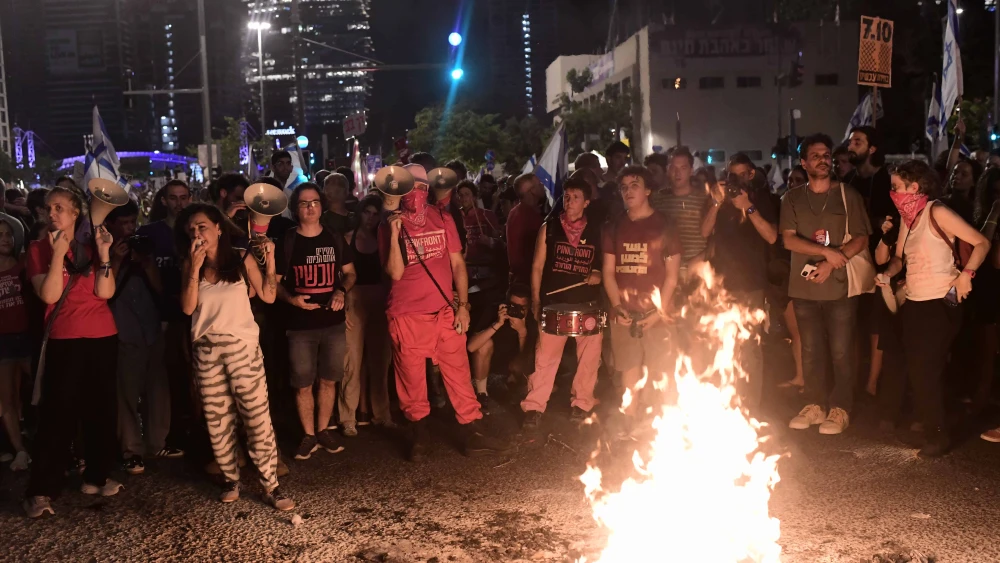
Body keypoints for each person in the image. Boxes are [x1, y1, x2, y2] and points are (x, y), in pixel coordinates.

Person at [379, 164, 507, 461]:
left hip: (444, 311)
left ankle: (473, 433)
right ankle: (419, 436)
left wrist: (462, 307)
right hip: (406, 314)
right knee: (411, 380)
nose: (418, 193)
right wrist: (395, 229)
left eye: (423, 186)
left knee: (459, 374)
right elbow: (394, 272)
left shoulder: (443, 218)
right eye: (412, 186)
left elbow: (458, 265)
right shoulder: (390, 224)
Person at [176, 203, 293, 510]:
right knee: (217, 419)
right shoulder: (190, 264)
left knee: (256, 416)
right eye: (192, 229)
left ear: (218, 228)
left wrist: (269, 265)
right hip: (207, 349)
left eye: (202, 226)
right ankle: (231, 479)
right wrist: (193, 267)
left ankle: (271, 485)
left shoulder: (241, 257)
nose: (196, 233)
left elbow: (268, 296)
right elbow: (188, 308)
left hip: (242, 348)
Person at [876, 160, 989, 456]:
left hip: (941, 301)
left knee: (924, 370)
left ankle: (937, 435)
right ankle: (932, 425)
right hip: (914, 301)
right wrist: (888, 273)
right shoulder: (908, 218)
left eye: (897, 186)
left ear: (915, 187)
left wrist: (967, 275)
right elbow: (900, 258)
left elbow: (981, 243)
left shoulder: (937, 211)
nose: (893, 192)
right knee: (920, 369)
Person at [23, 187, 120, 518]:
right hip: (65, 339)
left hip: (103, 336)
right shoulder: (37, 248)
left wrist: (105, 254)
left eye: (60, 207)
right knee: (57, 415)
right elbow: (49, 296)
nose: (52, 213)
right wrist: (56, 255)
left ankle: (96, 476)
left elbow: (105, 291)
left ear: (77, 213)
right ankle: (40, 490)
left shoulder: (94, 247)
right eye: (49, 208)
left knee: (101, 410)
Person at [783, 134, 871, 436]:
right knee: (810, 349)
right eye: (815, 155)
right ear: (804, 162)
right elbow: (788, 238)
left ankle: (841, 407)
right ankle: (815, 404)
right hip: (803, 287)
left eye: (826, 154)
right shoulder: (792, 197)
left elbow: (860, 237)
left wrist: (832, 261)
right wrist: (825, 253)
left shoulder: (848, 195)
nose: (823, 159)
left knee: (842, 350)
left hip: (839, 286)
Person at [275, 183, 356, 457]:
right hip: (299, 326)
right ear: (295, 209)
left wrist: (341, 291)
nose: (310, 207)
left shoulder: (333, 237)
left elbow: (350, 273)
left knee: (329, 379)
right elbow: (273, 284)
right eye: (303, 203)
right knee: (302, 383)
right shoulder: (287, 241)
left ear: (321, 206)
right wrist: (291, 299)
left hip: (332, 323)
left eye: (314, 202)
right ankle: (308, 435)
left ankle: (323, 430)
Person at [521, 178, 603, 428]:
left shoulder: (597, 230)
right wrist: (536, 300)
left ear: (586, 202)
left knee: (589, 359)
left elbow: (603, 264)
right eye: (566, 196)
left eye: (575, 197)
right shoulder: (551, 227)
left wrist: (597, 272)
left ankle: (582, 403)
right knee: (544, 358)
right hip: (554, 302)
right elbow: (537, 266)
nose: (569, 201)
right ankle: (534, 407)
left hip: (587, 303)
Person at [602, 166, 682, 424]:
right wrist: (617, 306)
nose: (628, 191)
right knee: (628, 371)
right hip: (625, 314)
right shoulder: (613, 226)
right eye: (623, 187)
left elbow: (672, 276)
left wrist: (659, 313)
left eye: (634, 185)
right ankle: (630, 422)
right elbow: (608, 272)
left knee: (662, 371)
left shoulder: (665, 225)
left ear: (648, 190)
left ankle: (664, 425)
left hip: (658, 313)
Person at [105, 201, 177, 476]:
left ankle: (157, 442)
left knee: (158, 388)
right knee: (126, 393)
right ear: (110, 225)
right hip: (123, 331)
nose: (129, 229)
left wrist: (146, 264)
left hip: (150, 327)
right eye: (123, 223)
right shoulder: (102, 250)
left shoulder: (143, 247)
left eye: (131, 222)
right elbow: (104, 293)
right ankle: (131, 450)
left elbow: (159, 289)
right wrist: (115, 260)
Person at [701, 153, 778, 408]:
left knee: (750, 347)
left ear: (751, 174)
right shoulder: (719, 200)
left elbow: (771, 236)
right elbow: (704, 232)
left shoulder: (761, 199)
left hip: (752, 283)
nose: (736, 180)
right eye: (731, 175)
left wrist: (748, 206)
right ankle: (727, 401)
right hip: (722, 283)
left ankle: (751, 405)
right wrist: (715, 202)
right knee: (722, 342)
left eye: (742, 174)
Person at [137, 180, 193, 455]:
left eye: (183, 198)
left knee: (188, 374)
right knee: (162, 376)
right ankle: (165, 433)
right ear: (163, 200)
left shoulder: (194, 231)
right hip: (158, 313)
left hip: (190, 313)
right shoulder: (149, 233)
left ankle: (188, 427)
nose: (178, 203)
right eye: (173, 198)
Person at [344, 195, 394, 428]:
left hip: (380, 298)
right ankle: (347, 418)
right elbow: (340, 276)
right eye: (367, 212)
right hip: (354, 299)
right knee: (351, 362)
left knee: (380, 361)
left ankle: (382, 415)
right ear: (360, 213)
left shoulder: (384, 240)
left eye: (376, 214)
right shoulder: (347, 239)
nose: (371, 218)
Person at [467, 284, 537, 411]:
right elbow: (472, 347)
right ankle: (482, 394)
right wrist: (498, 324)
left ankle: (516, 390)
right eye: (513, 306)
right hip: (490, 363)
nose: (516, 310)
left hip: (513, 368)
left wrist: (522, 332)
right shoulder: (495, 312)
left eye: (522, 307)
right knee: (484, 345)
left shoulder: (532, 320)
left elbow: (528, 362)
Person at [651, 146, 709, 278]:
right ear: (667, 170)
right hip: (666, 270)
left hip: (698, 270)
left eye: (683, 168)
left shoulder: (703, 199)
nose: (678, 173)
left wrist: (698, 260)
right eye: (673, 168)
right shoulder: (658, 199)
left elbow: (715, 239)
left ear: (691, 171)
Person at [0, 216, 30, 470]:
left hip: (27, 337)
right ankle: (19, 449)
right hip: (3, 342)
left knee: (38, 392)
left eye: (8, 234)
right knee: (7, 398)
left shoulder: (22, 265)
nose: (5, 239)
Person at [506, 173, 546, 287]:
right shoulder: (527, 215)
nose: (542, 185)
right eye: (539, 184)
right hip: (526, 278)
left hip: (520, 276)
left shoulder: (515, 212)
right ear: (532, 191)